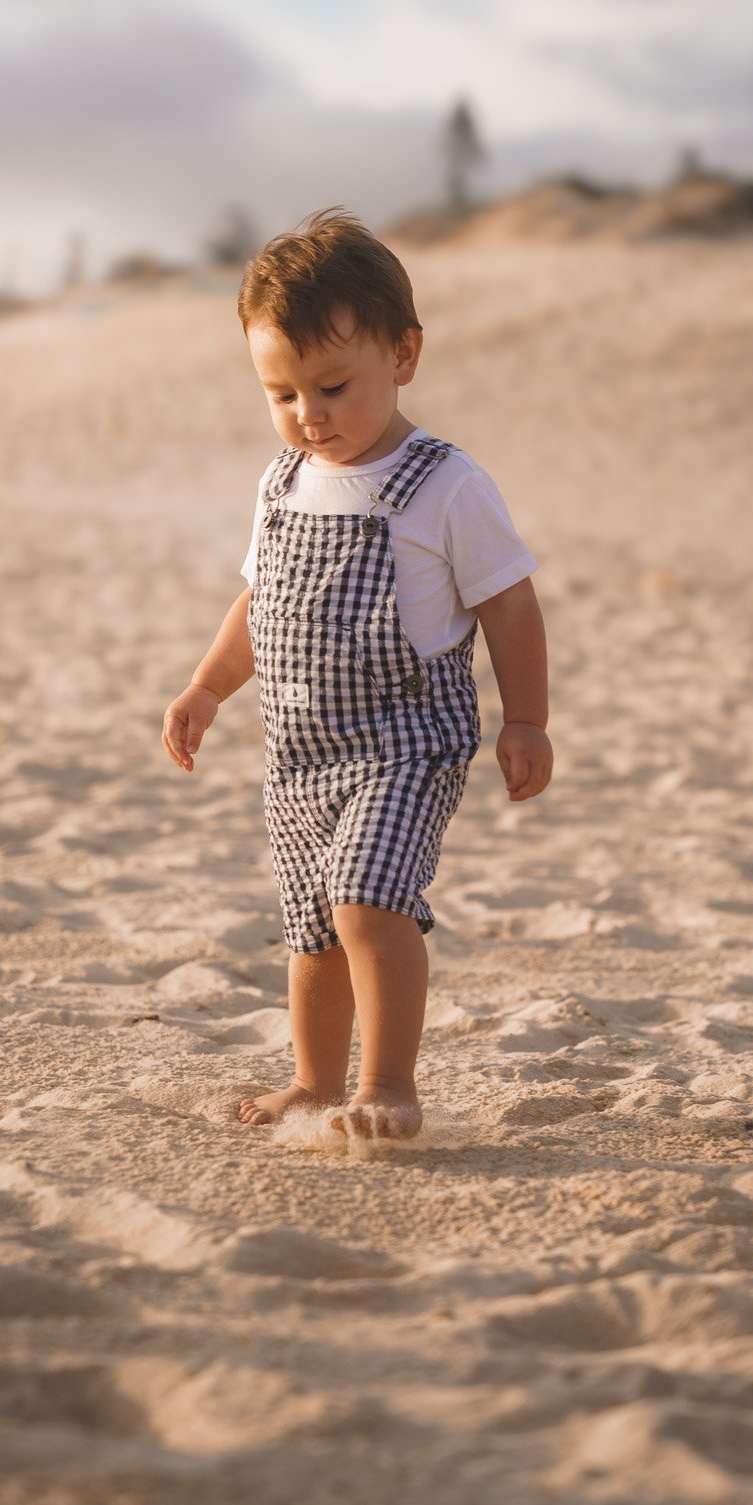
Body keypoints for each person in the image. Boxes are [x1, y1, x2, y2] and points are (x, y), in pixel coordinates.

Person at [161, 208, 553, 1138]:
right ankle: (314, 1080)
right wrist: (207, 687)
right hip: (297, 757)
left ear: (404, 355)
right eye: (282, 393)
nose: (310, 415)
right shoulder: (281, 484)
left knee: (370, 901)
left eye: (333, 386)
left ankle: (389, 1084)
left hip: (404, 748)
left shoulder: (445, 485)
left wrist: (526, 719)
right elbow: (262, 605)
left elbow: (510, 603)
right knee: (313, 934)